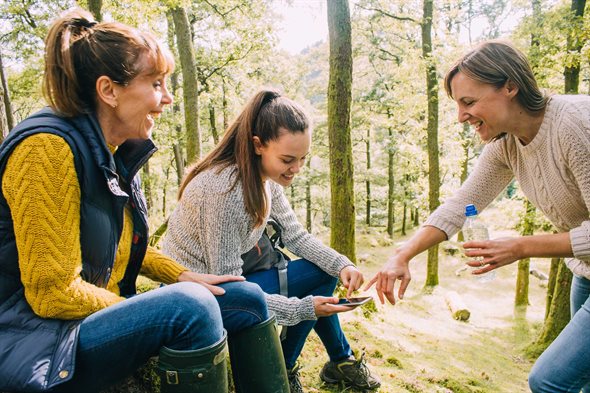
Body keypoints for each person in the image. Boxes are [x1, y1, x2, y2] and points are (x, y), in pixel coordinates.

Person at [0, 9, 278, 393]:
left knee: (247, 297)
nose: (167, 98)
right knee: (191, 308)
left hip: (75, 326)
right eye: (156, 83)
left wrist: (181, 274)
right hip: (35, 342)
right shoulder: (45, 151)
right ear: (109, 90)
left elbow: (127, 245)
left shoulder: (114, 151)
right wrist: (143, 313)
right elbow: (52, 293)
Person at [366, 39, 590, 393]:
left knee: (549, 381)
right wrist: (402, 255)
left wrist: (520, 247)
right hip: (586, 272)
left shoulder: (576, 125)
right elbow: (460, 205)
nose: (461, 117)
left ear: (510, 87)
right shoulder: (506, 144)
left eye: (469, 102)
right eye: (458, 105)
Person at [161, 88, 381, 392]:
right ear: (258, 145)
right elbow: (230, 290)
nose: (297, 169)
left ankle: (287, 366)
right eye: (288, 159)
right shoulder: (224, 193)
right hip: (196, 295)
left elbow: (295, 235)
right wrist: (302, 309)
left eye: (303, 158)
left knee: (324, 272)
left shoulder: (265, 178)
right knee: (311, 299)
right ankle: (301, 367)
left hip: (232, 281)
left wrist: (341, 264)